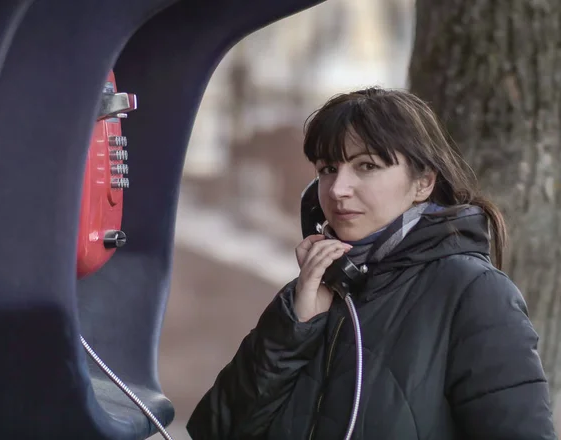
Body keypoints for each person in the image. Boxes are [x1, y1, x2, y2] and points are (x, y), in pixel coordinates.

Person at [186, 87, 558, 439]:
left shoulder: (471, 293)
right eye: (327, 169)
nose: (337, 189)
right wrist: (294, 328)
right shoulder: (318, 290)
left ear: (423, 183)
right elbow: (214, 430)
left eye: (366, 166)